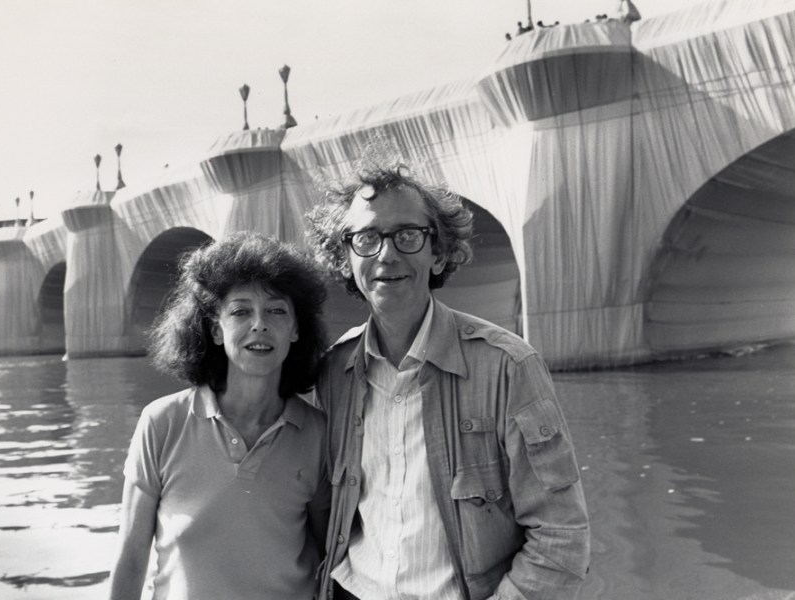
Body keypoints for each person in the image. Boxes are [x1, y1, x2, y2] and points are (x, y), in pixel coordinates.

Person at [306, 157, 590, 600]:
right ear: (345, 259)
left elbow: (561, 537)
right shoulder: (333, 373)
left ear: (438, 252)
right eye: (366, 238)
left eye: (407, 235)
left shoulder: (506, 367)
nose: (386, 254)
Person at [107, 231, 330, 600]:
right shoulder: (162, 423)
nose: (259, 324)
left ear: (294, 330)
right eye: (241, 311)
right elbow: (131, 559)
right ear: (214, 328)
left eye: (276, 311)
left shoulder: (319, 433)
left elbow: (328, 558)